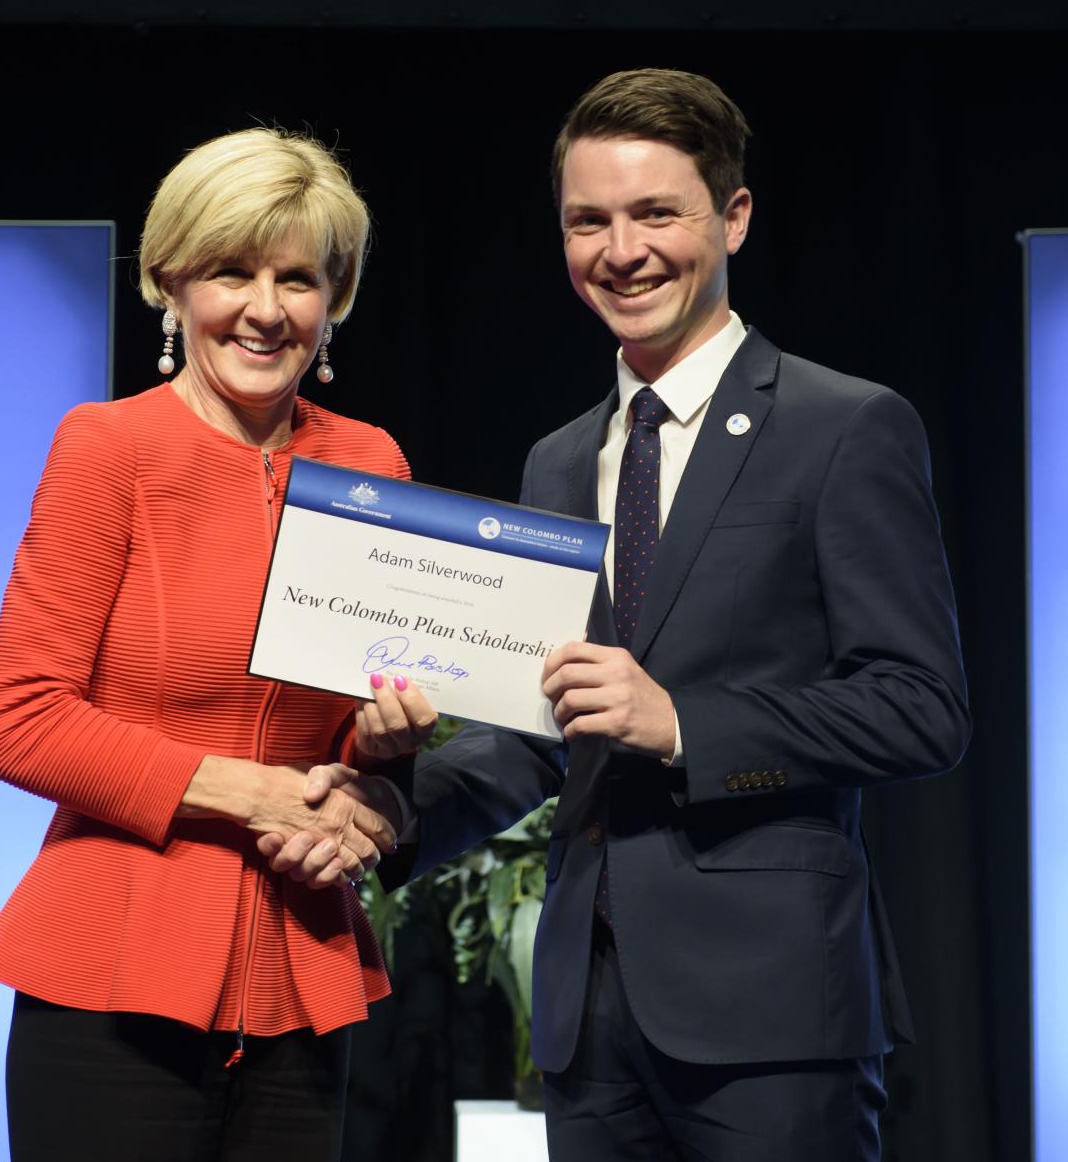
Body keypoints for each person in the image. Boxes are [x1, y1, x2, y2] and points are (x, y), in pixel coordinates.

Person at [266, 69, 971, 1160]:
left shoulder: (847, 427)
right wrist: (393, 810)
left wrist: (685, 723)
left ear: (733, 216)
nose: (620, 249)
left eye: (656, 213)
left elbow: (920, 708)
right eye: (587, 220)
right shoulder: (560, 459)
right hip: (588, 1019)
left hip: (775, 1017)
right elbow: (538, 734)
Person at [0, 127, 436, 1162]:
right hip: (112, 965)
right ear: (172, 280)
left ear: (336, 296)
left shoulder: (371, 464)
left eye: (298, 278)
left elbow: (352, 742)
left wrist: (387, 760)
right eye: (232, 271)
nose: (266, 309)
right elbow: (18, 720)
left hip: (299, 967)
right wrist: (245, 790)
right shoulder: (108, 448)